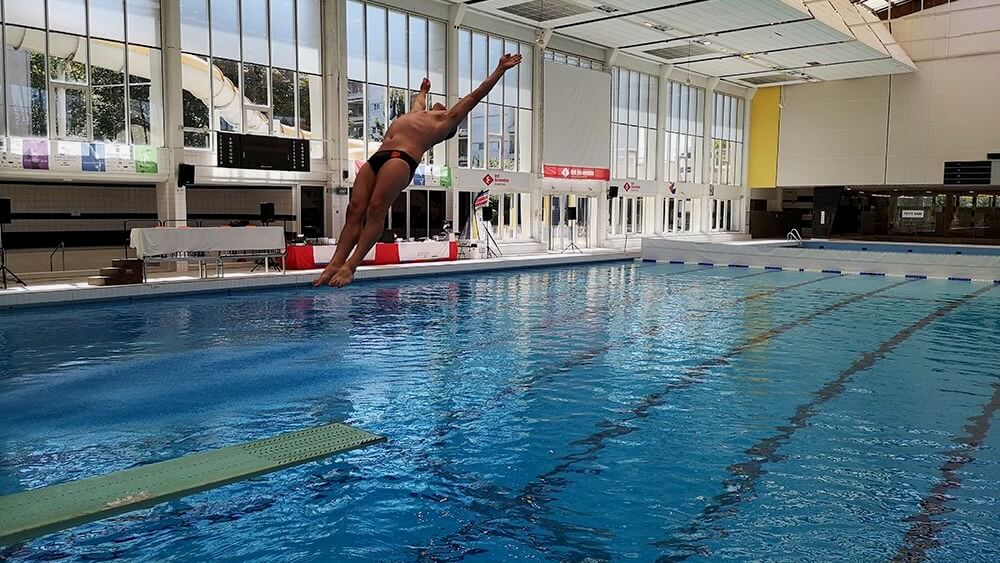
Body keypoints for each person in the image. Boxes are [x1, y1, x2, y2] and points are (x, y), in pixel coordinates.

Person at [313, 53, 523, 288]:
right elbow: (419, 103)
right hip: (377, 158)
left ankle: (350, 266)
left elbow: (476, 95)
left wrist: (500, 70)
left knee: (375, 209)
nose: (441, 104)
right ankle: (334, 263)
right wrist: (423, 90)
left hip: (400, 159)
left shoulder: (446, 119)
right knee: (354, 210)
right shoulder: (418, 113)